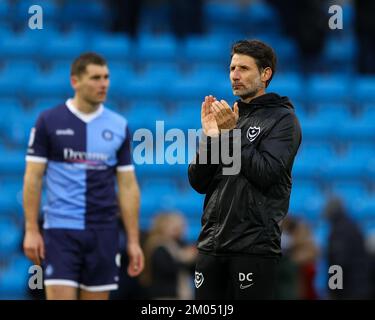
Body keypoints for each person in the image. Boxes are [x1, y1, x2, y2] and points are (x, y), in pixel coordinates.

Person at [22, 52, 144, 300]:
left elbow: (128, 186)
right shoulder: (48, 121)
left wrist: (132, 240)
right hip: (60, 230)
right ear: (75, 81)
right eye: (96, 78)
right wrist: (32, 229)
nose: (103, 84)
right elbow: (33, 178)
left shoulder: (118, 125)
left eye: (106, 77)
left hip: (104, 231)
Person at [188, 40, 302, 299]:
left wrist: (230, 134)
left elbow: (266, 174)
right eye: (232, 68)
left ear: (265, 74)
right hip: (211, 244)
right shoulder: (230, 116)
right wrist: (212, 138)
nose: (235, 75)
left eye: (244, 68)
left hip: (252, 249)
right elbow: (198, 182)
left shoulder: (283, 120)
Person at [140, 212, 197, 299]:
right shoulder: (156, 244)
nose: (178, 228)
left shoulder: (180, 244)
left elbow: (191, 270)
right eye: (173, 225)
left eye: (181, 225)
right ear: (162, 226)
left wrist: (194, 258)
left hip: (180, 294)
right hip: (163, 294)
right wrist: (185, 259)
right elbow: (166, 269)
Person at [324, 197, 372, 299]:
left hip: (348, 290)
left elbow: (338, 263)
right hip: (361, 286)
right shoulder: (353, 226)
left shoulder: (338, 231)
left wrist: (334, 289)